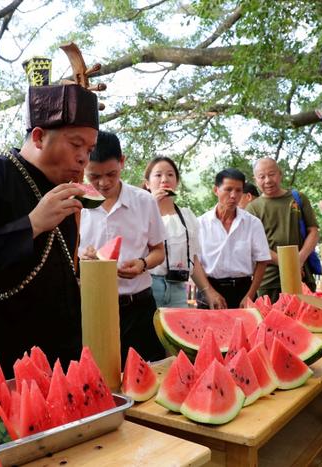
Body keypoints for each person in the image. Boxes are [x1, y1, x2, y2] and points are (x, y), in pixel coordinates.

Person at [0, 53, 100, 385]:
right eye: (76, 144)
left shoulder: (67, 190)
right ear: (40, 136)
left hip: (60, 358)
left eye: (89, 148)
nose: (84, 158)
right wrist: (31, 224)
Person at [80, 131, 166, 363]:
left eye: (111, 174)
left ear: (122, 162)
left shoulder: (144, 201)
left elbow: (159, 251)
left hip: (138, 307)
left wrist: (143, 263)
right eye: (94, 176)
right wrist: (82, 261)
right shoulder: (75, 202)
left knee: (148, 373)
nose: (104, 183)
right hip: (92, 306)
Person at [142, 156, 222, 309]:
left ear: (176, 182)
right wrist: (150, 206)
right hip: (148, 286)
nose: (164, 179)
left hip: (178, 288)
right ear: (147, 183)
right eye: (158, 175)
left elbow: (193, 258)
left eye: (170, 174)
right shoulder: (139, 214)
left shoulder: (187, 216)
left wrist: (208, 291)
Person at [246, 158, 319, 301]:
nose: (267, 180)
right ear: (255, 180)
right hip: (269, 279)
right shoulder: (252, 208)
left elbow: (314, 231)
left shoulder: (298, 198)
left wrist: (299, 259)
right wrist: (289, 264)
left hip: (302, 274)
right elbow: (254, 245)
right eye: (262, 177)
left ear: (280, 174)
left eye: (271, 174)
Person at [198, 169, 270, 308]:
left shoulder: (252, 223)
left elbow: (262, 261)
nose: (233, 195)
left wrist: (250, 295)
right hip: (209, 289)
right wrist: (209, 292)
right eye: (228, 189)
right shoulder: (200, 224)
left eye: (238, 191)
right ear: (216, 190)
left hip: (243, 290)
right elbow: (195, 262)